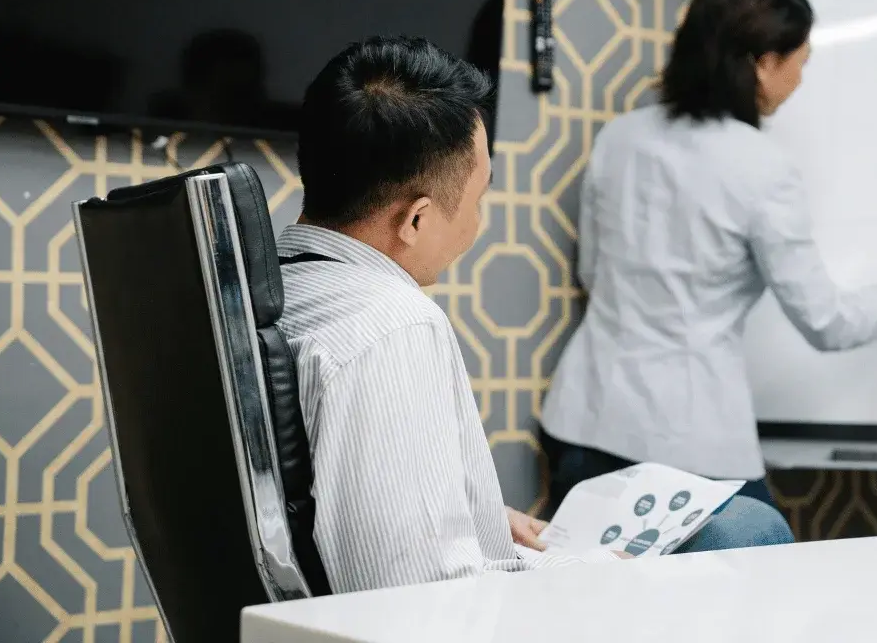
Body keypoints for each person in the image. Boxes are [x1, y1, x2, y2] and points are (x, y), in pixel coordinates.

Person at [275, 35, 794, 594]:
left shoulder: (288, 288)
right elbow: (423, 598)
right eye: (478, 200)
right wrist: (594, 570)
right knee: (750, 528)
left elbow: (333, 501)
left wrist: (473, 517)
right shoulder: (391, 327)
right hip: (448, 617)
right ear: (417, 221)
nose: (477, 222)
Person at [540, 0, 877, 512]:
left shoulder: (620, 137)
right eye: (800, 62)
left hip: (582, 419)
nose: (801, 80)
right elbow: (826, 322)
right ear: (763, 64)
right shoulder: (762, 168)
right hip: (687, 448)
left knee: (589, 593)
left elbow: (592, 273)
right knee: (746, 580)